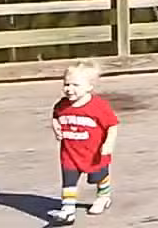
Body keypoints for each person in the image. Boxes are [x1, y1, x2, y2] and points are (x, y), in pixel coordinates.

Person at [49, 61, 119, 224]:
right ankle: (68, 210)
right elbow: (55, 116)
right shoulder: (62, 105)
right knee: (69, 180)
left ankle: (103, 196)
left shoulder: (98, 107)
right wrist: (55, 126)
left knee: (99, 176)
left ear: (89, 87)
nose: (69, 89)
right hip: (70, 153)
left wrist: (108, 144)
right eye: (66, 84)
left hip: (94, 153)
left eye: (75, 85)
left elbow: (112, 125)